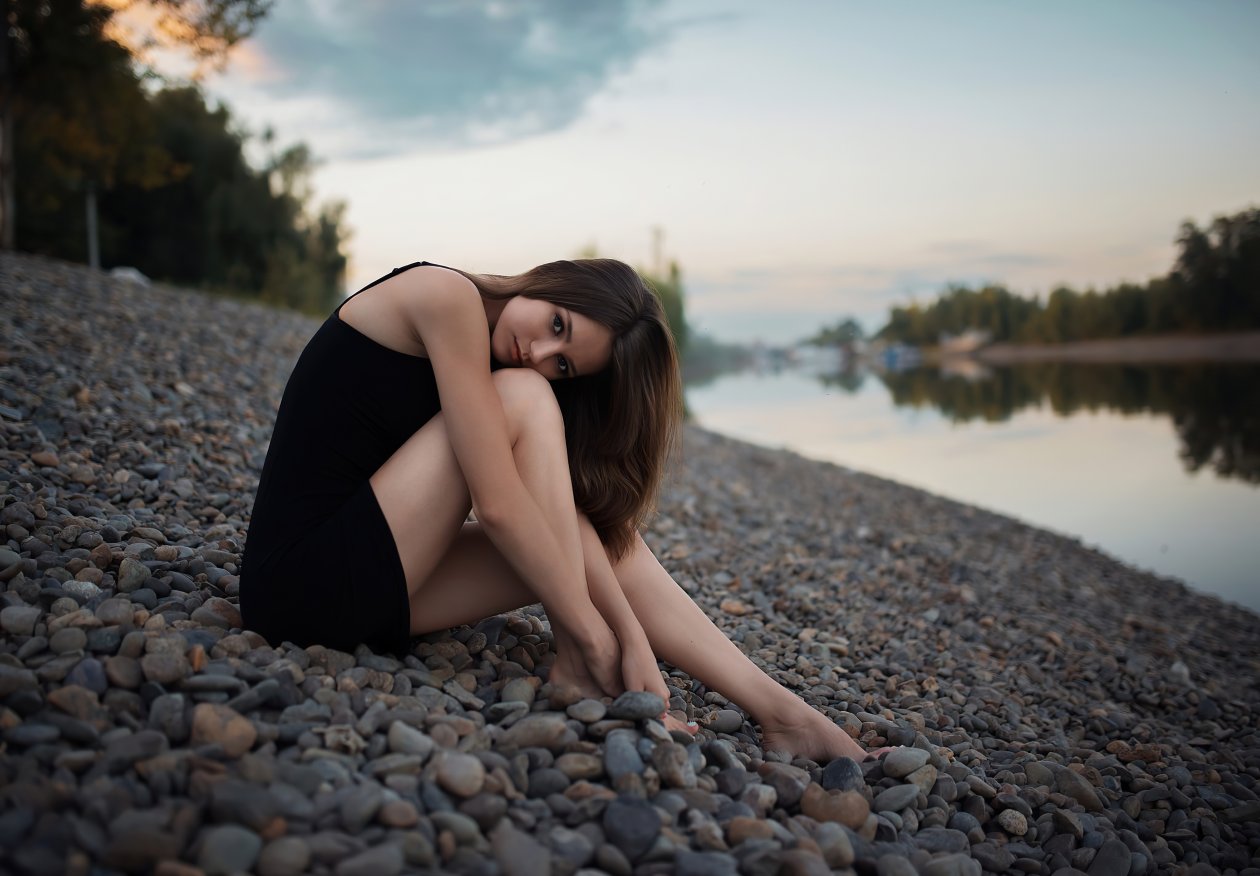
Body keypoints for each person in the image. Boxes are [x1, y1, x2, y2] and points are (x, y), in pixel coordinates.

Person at [240, 259, 887, 763]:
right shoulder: (445, 297)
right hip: (302, 581)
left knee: (594, 526)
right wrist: (591, 638)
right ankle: (581, 665)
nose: (541, 356)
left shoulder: (492, 352)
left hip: (369, 586)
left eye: (564, 365)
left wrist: (634, 641)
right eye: (557, 326)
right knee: (519, 401)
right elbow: (497, 506)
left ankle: (786, 716)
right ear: (554, 282)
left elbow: (562, 520)